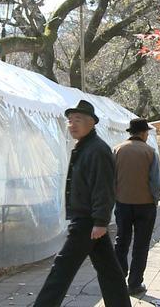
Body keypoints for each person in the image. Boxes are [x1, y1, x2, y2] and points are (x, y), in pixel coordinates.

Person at [34, 100, 130, 307]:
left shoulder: (97, 150)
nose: (72, 125)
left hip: (87, 221)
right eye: (70, 120)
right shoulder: (85, 147)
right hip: (88, 219)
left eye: (78, 120)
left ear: (92, 123)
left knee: (62, 268)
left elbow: (104, 188)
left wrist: (100, 221)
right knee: (109, 270)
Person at [113, 118, 160, 296]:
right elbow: (156, 181)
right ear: (143, 133)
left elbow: (112, 178)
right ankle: (134, 284)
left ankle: (118, 280)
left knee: (121, 242)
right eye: (147, 132)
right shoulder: (150, 152)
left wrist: (116, 197)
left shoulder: (117, 150)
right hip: (145, 205)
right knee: (141, 245)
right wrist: (155, 200)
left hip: (123, 203)